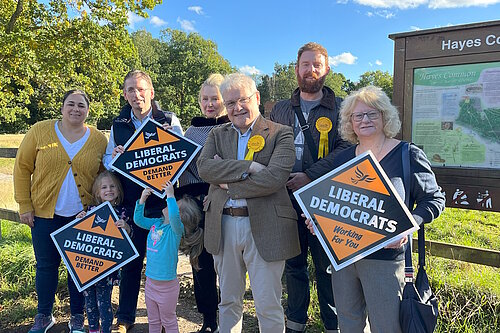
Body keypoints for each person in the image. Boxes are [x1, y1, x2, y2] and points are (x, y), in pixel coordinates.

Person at [306, 85, 445, 333]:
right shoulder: (343, 159)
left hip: (386, 261)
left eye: (373, 114)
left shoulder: (407, 154)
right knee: (348, 324)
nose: (365, 120)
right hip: (345, 260)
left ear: (385, 116)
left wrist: (409, 224)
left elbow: (434, 199)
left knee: (387, 327)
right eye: (358, 116)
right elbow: (334, 203)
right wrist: (319, 222)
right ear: (350, 122)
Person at [197, 73, 300, 333]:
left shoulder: (282, 133)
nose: (236, 108)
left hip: (266, 227)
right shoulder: (217, 134)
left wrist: (228, 182)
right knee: (229, 301)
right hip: (223, 225)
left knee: (268, 304)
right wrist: (251, 166)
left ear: (256, 97)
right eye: (229, 103)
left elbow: (274, 179)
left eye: (241, 100)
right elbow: (205, 169)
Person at [270, 42, 350, 333]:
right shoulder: (280, 109)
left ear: (327, 69)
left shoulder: (341, 108)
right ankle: (295, 323)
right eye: (306, 64)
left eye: (317, 64)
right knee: (294, 266)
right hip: (287, 199)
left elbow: (346, 147)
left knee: (328, 266)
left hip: (324, 197)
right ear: (297, 69)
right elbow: (268, 146)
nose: (311, 70)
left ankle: (333, 325)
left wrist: (310, 175)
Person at [14, 89, 108, 333]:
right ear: (63, 106)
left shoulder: (98, 139)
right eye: (71, 104)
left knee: (79, 268)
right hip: (45, 214)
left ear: (88, 110)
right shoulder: (40, 130)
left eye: (81, 105)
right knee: (46, 265)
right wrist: (25, 205)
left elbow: (103, 176)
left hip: (82, 215)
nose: (76, 109)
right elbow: (22, 168)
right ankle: (44, 314)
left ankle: (77, 316)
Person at [102, 70, 183, 333]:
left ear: (151, 92)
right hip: (133, 203)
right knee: (132, 261)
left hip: (162, 205)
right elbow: (107, 162)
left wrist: (174, 139)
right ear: (125, 95)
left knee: (165, 262)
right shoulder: (118, 124)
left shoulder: (169, 119)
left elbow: (184, 157)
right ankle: (125, 317)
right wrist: (115, 157)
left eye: (140, 89)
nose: (136, 95)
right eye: (130, 90)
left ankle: (165, 317)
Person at [177, 73, 230, 333]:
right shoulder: (191, 131)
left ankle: (230, 315)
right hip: (193, 202)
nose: (210, 104)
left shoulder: (232, 126)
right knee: (201, 262)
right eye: (205, 99)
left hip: (221, 199)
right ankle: (209, 318)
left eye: (215, 98)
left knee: (227, 261)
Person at [75, 171, 132, 333]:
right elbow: (80, 236)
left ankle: (105, 330)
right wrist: (79, 220)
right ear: (97, 193)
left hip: (108, 268)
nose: (109, 190)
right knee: (90, 303)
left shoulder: (122, 212)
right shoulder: (91, 210)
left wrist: (125, 227)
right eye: (104, 187)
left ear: (119, 190)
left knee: (104, 302)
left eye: (112, 186)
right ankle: (93, 329)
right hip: (87, 268)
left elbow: (128, 237)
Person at [134, 181, 190, 333]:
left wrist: (171, 195)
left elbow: (173, 216)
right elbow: (138, 220)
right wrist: (142, 200)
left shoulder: (176, 230)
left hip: (167, 287)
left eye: (174, 203)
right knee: (153, 321)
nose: (168, 202)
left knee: (168, 321)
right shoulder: (156, 223)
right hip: (150, 283)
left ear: (180, 215)